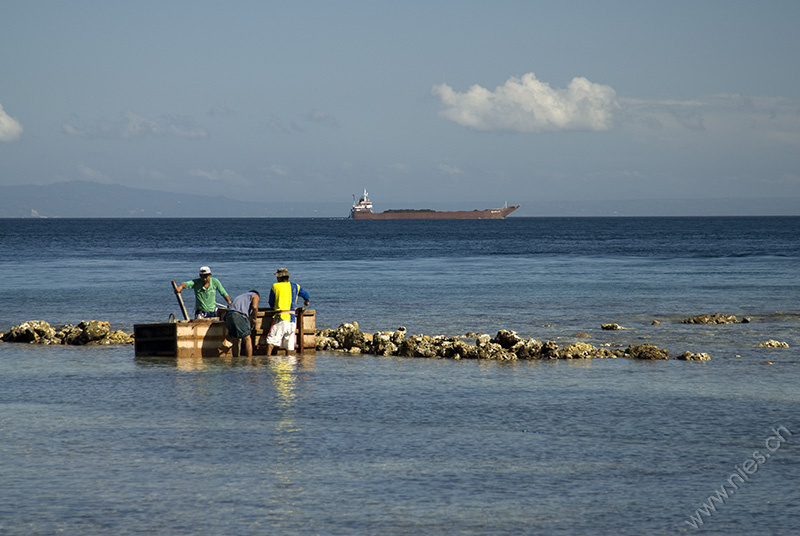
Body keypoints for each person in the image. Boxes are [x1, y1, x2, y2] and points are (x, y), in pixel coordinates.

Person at [266, 267, 310, 355]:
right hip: (292, 320)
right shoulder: (295, 286)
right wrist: (306, 301)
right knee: (289, 346)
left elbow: (271, 302)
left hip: (282, 318)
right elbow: (306, 295)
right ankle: (289, 366)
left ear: (278, 277)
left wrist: (274, 308)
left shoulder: (275, 286)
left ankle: (268, 362)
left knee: (271, 342)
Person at [225, 290, 259, 357]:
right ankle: (249, 361)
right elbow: (254, 307)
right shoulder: (255, 295)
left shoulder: (241, 296)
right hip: (239, 315)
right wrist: (254, 319)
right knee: (247, 338)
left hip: (229, 315)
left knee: (235, 340)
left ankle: (235, 361)